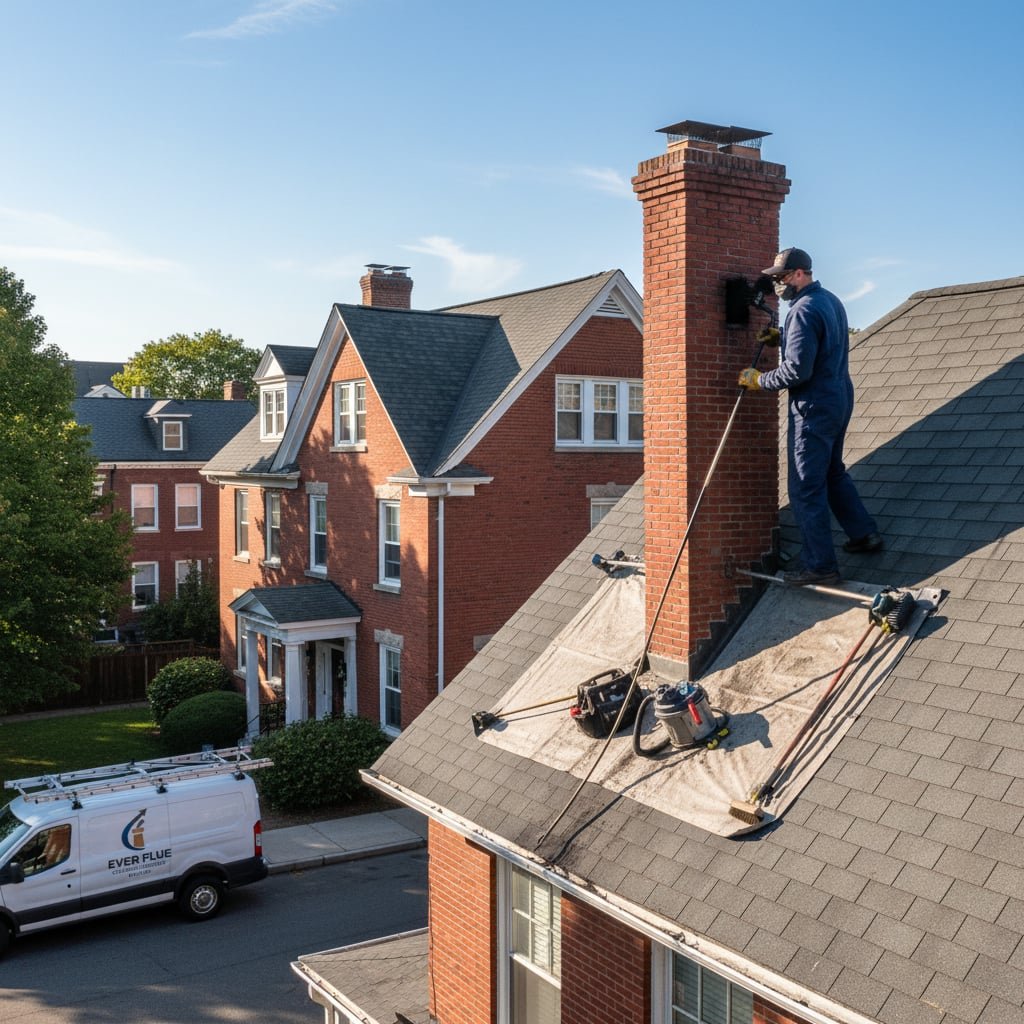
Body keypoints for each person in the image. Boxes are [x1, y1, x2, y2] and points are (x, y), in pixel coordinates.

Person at [738, 247, 882, 586]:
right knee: (833, 472)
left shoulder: (801, 310)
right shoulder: (830, 301)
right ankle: (863, 535)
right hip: (839, 398)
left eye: (782, 277)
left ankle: (820, 566)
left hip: (814, 407)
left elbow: (797, 372)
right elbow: (823, 343)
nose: (778, 284)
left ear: (800, 273)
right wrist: (780, 337)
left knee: (805, 487)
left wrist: (759, 380)